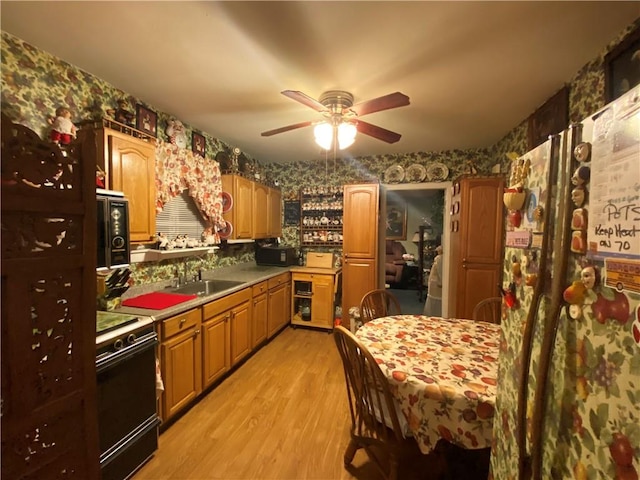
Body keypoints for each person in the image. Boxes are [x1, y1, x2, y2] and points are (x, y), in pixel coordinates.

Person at [423, 245, 443, 317]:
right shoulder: (439, 258)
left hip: (437, 285)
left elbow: (441, 273)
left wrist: (441, 282)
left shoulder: (439, 259)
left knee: (435, 306)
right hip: (434, 284)